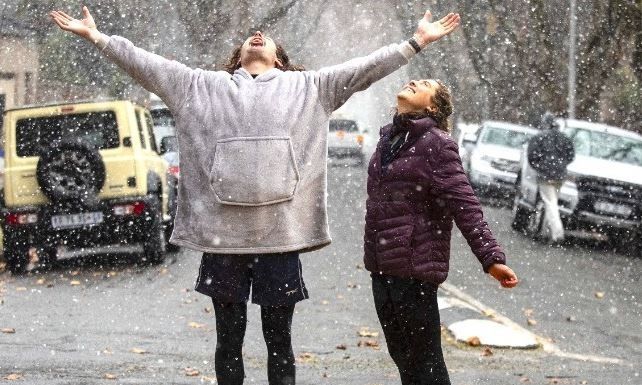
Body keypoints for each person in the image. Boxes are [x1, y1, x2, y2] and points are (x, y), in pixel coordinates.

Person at [50, 6, 461, 385]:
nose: (257, 34)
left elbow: (365, 68)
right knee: (228, 342)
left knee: (278, 341)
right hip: (222, 241)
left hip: (280, 241)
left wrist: (416, 42)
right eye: (250, 37)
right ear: (239, 57)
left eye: (265, 37)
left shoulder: (310, 88)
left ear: (279, 59)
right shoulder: (198, 87)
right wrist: (98, 37)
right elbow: (145, 64)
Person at [363, 79, 519, 384]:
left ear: (432, 107)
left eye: (424, 84)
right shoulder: (389, 139)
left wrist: (491, 258)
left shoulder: (437, 144)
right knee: (404, 359)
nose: (414, 81)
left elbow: (465, 204)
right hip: (382, 268)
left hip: (415, 269)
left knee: (426, 363)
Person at [526, 111, 575, 243]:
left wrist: (539, 166)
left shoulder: (539, 138)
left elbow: (531, 156)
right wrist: (561, 164)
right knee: (552, 201)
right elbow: (571, 155)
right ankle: (546, 232)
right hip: (560, 175)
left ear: (545, 123)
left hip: (545, 175)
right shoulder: (564, 138)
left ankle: (557, 233)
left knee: (550, 202)